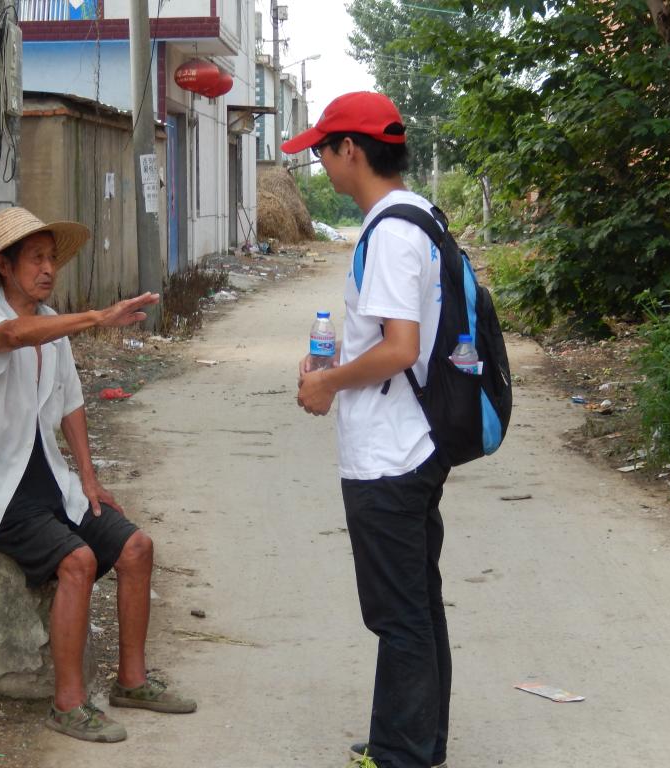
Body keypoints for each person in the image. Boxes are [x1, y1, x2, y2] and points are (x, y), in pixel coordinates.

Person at [0, 206, 196, 743]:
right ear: (4, 266)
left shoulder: (53, 327)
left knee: (137, 548)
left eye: (51, 259)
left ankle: (132, 681)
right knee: (76, 561)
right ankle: (67, 704)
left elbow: (71, 404)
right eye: (35, 258)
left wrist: (88, 477)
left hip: (48, 480)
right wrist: (97, 318)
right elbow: (15, 335)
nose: (47, 269)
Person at [283, 93, 452, 768]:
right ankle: (415, 742)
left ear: (350, 150)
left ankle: (402, 754)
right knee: (418, 602)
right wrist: (333, 365)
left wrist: (327, 383)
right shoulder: (419, 217)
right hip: (417, 441)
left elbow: (401, 347)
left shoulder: (390, 234)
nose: (322, 165)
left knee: (399, 612)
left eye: (323, 151)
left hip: (389, 454)